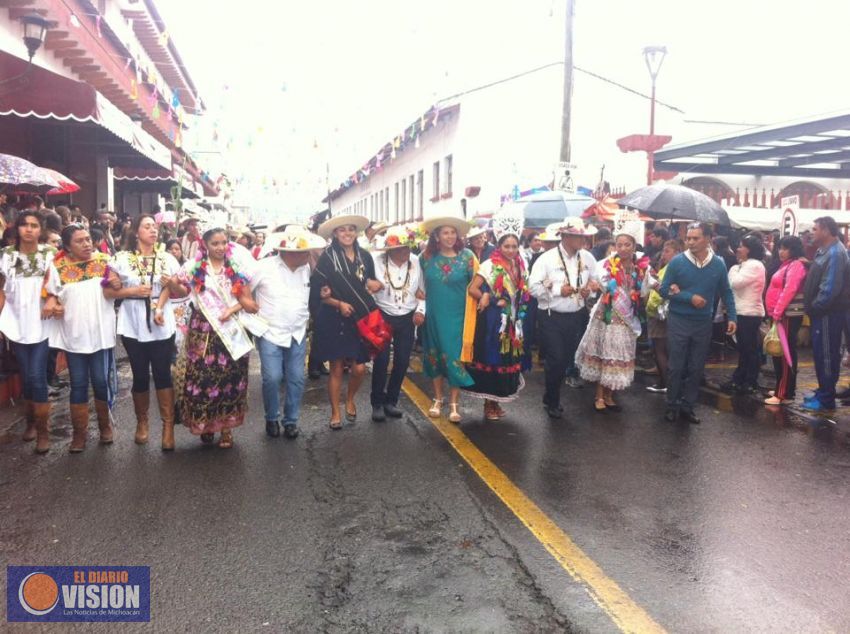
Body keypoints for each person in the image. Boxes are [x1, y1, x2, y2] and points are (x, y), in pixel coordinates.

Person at [105, 214, 184, 450]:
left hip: (161, 323)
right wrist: (132, 291)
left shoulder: (168, 258)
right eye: (147, 226)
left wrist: (168, 285)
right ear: (136, 231)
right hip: (133, 324)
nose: (153, 230)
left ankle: (168, 427)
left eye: (155, 227)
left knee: (162, 374)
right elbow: (109, 293)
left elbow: (180, 290)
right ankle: (142, 423)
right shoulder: (121, 259)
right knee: (140, 375)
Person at [175, 228, 258, 448]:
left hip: (230, 330)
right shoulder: (193, 267)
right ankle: (206, 423)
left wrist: (232, 310)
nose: (220, 248)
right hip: (203, 329)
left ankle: (226, 429)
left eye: (224, 243)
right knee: (204, 379)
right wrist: (160, 305)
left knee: (230, 379)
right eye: (215, 244)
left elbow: (247, 301)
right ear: (205, 245)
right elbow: (176, 288)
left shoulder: (237, 268)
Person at [48, 224, 116, 452]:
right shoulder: (57, 266)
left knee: (100, 381)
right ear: (67, 247)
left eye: (88, 239)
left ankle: (105, 427)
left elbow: (117, 288)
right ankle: (79, 435)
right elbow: (51, 295)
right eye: (80, 241)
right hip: (75, 336)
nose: (87, 244)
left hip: (101, 334)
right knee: (78, 384)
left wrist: (117, 284)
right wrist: (55, 304)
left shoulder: (105, 261)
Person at [251, 227, 325, 439]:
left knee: (296, 378)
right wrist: (249, 307)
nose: (307, 255)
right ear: (289, 252)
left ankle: (291, 421)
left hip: (297, 332)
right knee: (272, 377)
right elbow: (243, 290)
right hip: (270, 331)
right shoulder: (264, 267)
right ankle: (272, 418)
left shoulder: (306, 268)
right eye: (304, 252)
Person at [660, 222, 737, 424]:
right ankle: (672, 404)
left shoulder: (718, 263)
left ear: (708, 239)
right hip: (679, 319)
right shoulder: (677, 262)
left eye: (696, 238)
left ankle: (688, 406)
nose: (691, 242)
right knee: (676, 366)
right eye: (689, 238)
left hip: (703, 322)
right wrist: (688, 297)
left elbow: (726, 291)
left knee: (696, 367)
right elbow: (663, 289)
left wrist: (733, 317)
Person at [312, 213, 383, 429]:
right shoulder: (327, 258)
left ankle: (349, 398)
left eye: (351, 229)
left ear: (356, 232)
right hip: (334, 318)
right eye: (342, 230)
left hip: (359, 317)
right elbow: (318, 291)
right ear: (335, 233)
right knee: (335, 368)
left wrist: (375, 284)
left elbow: (368, 281)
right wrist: (338, 304)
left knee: (359, 369)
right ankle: (335, 412)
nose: (347, 233)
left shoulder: (365, 256)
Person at [463, 209, 530, 420]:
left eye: (514, 246)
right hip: (494, 321)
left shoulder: (520, 264)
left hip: (513, 319)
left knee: (507, 359)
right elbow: (472, 289)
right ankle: (489, 404)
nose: (511, 250)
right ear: (499, 246)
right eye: (506, 246)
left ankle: (498, 400)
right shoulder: (490, 265)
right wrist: (489, 298)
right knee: (493, 359)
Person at [528, 217, 598, 418]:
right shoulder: (546, 259)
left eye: (583, 236)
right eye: (578, 236)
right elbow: (533, 287)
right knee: (556, 358)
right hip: (551, 316)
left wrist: (589, 291)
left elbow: (596, 281)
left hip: (576, 315)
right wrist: (559, 290)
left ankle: (551, 395)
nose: (583, 240)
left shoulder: (587, 258)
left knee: (567, 358)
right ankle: (552, 399)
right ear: (566, 237)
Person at [0, 212, 57, 453]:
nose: (29, 229)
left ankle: (43, 432)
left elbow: (56, 284)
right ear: (17, 228)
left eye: (34, 225)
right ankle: (31, 421)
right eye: (24, 224)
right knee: (26, 375)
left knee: (35, 376)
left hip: (42, 323)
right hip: (16, 323)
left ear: (40, 229)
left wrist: (52, 300)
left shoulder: (48, 254)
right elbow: (2, 289)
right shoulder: (6, 256)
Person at [575, 228, 648, 412]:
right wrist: (593, 286)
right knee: (605, 355)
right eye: (619, 245)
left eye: (627, 245)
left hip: (626, 318)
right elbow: (596, 283)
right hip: (607, 317)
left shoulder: (639, 267)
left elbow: (645, 289)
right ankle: (599, 395)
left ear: (634, 246)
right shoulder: (606, 264)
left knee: (617, 357)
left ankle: (609, 395)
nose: (622, 248)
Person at [420, 215, 476, 423]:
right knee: (434, 357)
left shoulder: (468, 257)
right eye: (445, 232)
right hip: (434, 315)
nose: (450, 236)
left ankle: (454, 403)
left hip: (459, 317)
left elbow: (477, 285)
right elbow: (419, 287)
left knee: (454, 358)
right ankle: (437, 399)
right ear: (436, 236)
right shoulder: (425, 258)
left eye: (453, 232)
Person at [369, 224, 426, 422]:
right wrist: (370, 287)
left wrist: (420, 310)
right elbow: (365, 286)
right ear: (391, 249)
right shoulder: (376, 262)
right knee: (382, 360)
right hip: (383, 314)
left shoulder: (416, 261)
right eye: (401, 248)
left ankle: (391, 401)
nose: (406, 252)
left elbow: (422, 292)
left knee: (402, 360)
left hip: (407, 317)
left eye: (408, 247)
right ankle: (376, 402)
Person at [801, 216, 850, 412]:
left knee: (828, 355)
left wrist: (815, 307)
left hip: (828, 314)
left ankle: (826, 399)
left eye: (815, 229)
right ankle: (822, 391)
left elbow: (830, 288)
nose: (812, 232)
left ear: (827, 231)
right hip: (820, 313)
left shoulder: (836, 253)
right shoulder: (825, 251)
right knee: (821, 354)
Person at [764, 235, 807, 406]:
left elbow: (789, 290)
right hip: (779, 315)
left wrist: (777, 312)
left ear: (794, 249)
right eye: (780, 247)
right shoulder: (787, 264)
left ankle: (784, 393)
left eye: (786, 248)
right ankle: (781, 388)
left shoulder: (796, 265)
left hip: (786, 315)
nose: (781, 251)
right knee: (778, 352)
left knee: (784, 353)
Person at [722, 235, 766, 395]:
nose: (737, 249)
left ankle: (750, 381)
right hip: (741, 312)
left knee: (749, 349)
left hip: (750, 313)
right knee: (743, 348)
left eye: (741, 246)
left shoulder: (755, 265)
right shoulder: (744, 265)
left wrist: (733, 270)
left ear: (750, 249)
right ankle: (740, 378)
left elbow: (735, 283)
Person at [644, 239, 684, 393]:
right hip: (664, 313)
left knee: (659, 349)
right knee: (664, 349)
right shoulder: (671, 267)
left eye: (667, 251)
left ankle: (665, 383)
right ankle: (667, 382)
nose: (663, 255)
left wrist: (650, 304)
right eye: (664, 251)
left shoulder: (671, 269)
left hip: (659, 314)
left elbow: (661, 292)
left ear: (676, 253)